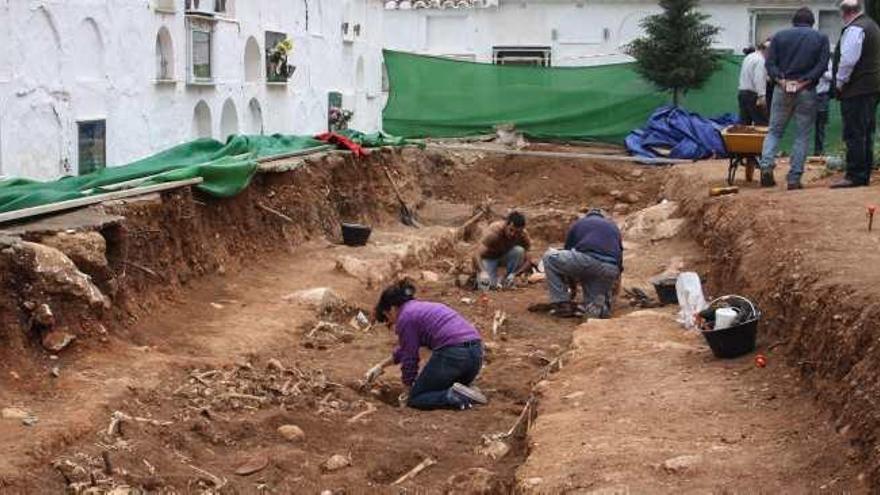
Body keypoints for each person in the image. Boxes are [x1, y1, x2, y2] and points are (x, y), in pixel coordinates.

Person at [365, 280, 487, 410]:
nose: (392, 322)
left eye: (387, 316)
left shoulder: (405, 317)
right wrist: (381, 366)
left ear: (392, 308)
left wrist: (408, 392)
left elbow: (409, 358)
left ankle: (454, 396)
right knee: (438, 386)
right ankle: (467, 389)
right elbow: (405, 348)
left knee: (417, 398)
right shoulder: (422, 308)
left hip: (453, 355)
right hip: (476, 354)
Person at [759, 8, 831, 190]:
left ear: (793, 21)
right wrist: (805, 81)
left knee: (774, 131)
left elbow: (770, 63)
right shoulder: (821, 38)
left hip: (782, 89)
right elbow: (822, 66)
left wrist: (781, 80)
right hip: (806, 90)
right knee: (802, 134)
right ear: (812, 22)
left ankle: (766, 166)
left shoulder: (779, 37)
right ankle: (794, 178)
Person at [831, 0, 880, 188]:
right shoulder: (872, 25)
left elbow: (848, 60)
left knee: (854, 133)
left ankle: (855, 175)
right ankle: (863, 172)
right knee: (866, 132)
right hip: (872, 88)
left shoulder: (855, 29)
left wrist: (840, 82)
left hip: (857, 89)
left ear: (845, 13)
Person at [542, 209, 623, 319]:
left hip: (588, 261)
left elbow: (568, 253)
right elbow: (620, 262)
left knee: (549, 258)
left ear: (587, 216)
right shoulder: (613, 227)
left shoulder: (579, 223)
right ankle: (600, 309)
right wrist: (613, 287)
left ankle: (562, 303)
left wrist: (572, 287)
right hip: (610, 268)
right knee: (594, 305)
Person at [474, 211, 531, 290]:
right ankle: (488, 277)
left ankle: (507, 279)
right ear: (506, 224)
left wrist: (515, 274)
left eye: (517, 232)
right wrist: (482, 271)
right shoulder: (494, 232)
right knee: (487, 286)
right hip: (489, 258)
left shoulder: (522, 235)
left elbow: (528, 260)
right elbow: (477, 254)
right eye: (511, 230)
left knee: (519, 251)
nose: (513, 234)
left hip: (505, 256)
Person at [738, 41, 769, 126]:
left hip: (742, 93)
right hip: (753, 95)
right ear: (767, 50)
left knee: (744, 124)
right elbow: (759, 79)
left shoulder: (749, 57)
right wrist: (762, 96)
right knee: (762, 124)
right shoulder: (761, 61)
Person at [815, 60, 833, 157]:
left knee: (821, 124)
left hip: (823, 95)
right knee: (805, 124)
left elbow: (831, 76)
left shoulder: (827, 60)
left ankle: (819, 151)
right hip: (809, 94)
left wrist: (821, 71)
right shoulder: (809, 56)